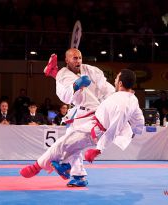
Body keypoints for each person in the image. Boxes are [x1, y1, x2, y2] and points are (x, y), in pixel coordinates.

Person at [20, 69, 144, 186]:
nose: (115, 80)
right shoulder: (132, 99)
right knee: (72, 146)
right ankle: (65, 166)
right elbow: (139, 119)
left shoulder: (121, 102)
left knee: (63, 143)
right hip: (93, 124)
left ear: (120, 82)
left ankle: (36, 167)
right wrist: (136, 130)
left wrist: (98, 150)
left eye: (117, 78)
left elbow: (114, 128)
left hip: (94, 131)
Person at [36, 48, 115, 186]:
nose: (78, 61)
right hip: (79, 112)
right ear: (67, 60)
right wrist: (74, 84)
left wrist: (114, 100)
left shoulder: (91, 71)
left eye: (79, 58)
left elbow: (105, 87)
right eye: (74, 58)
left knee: (71, 142)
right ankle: (78, 175)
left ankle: (66, 166)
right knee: (71, 141)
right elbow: (65, 96)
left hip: (93, 113)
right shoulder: (64, 75)